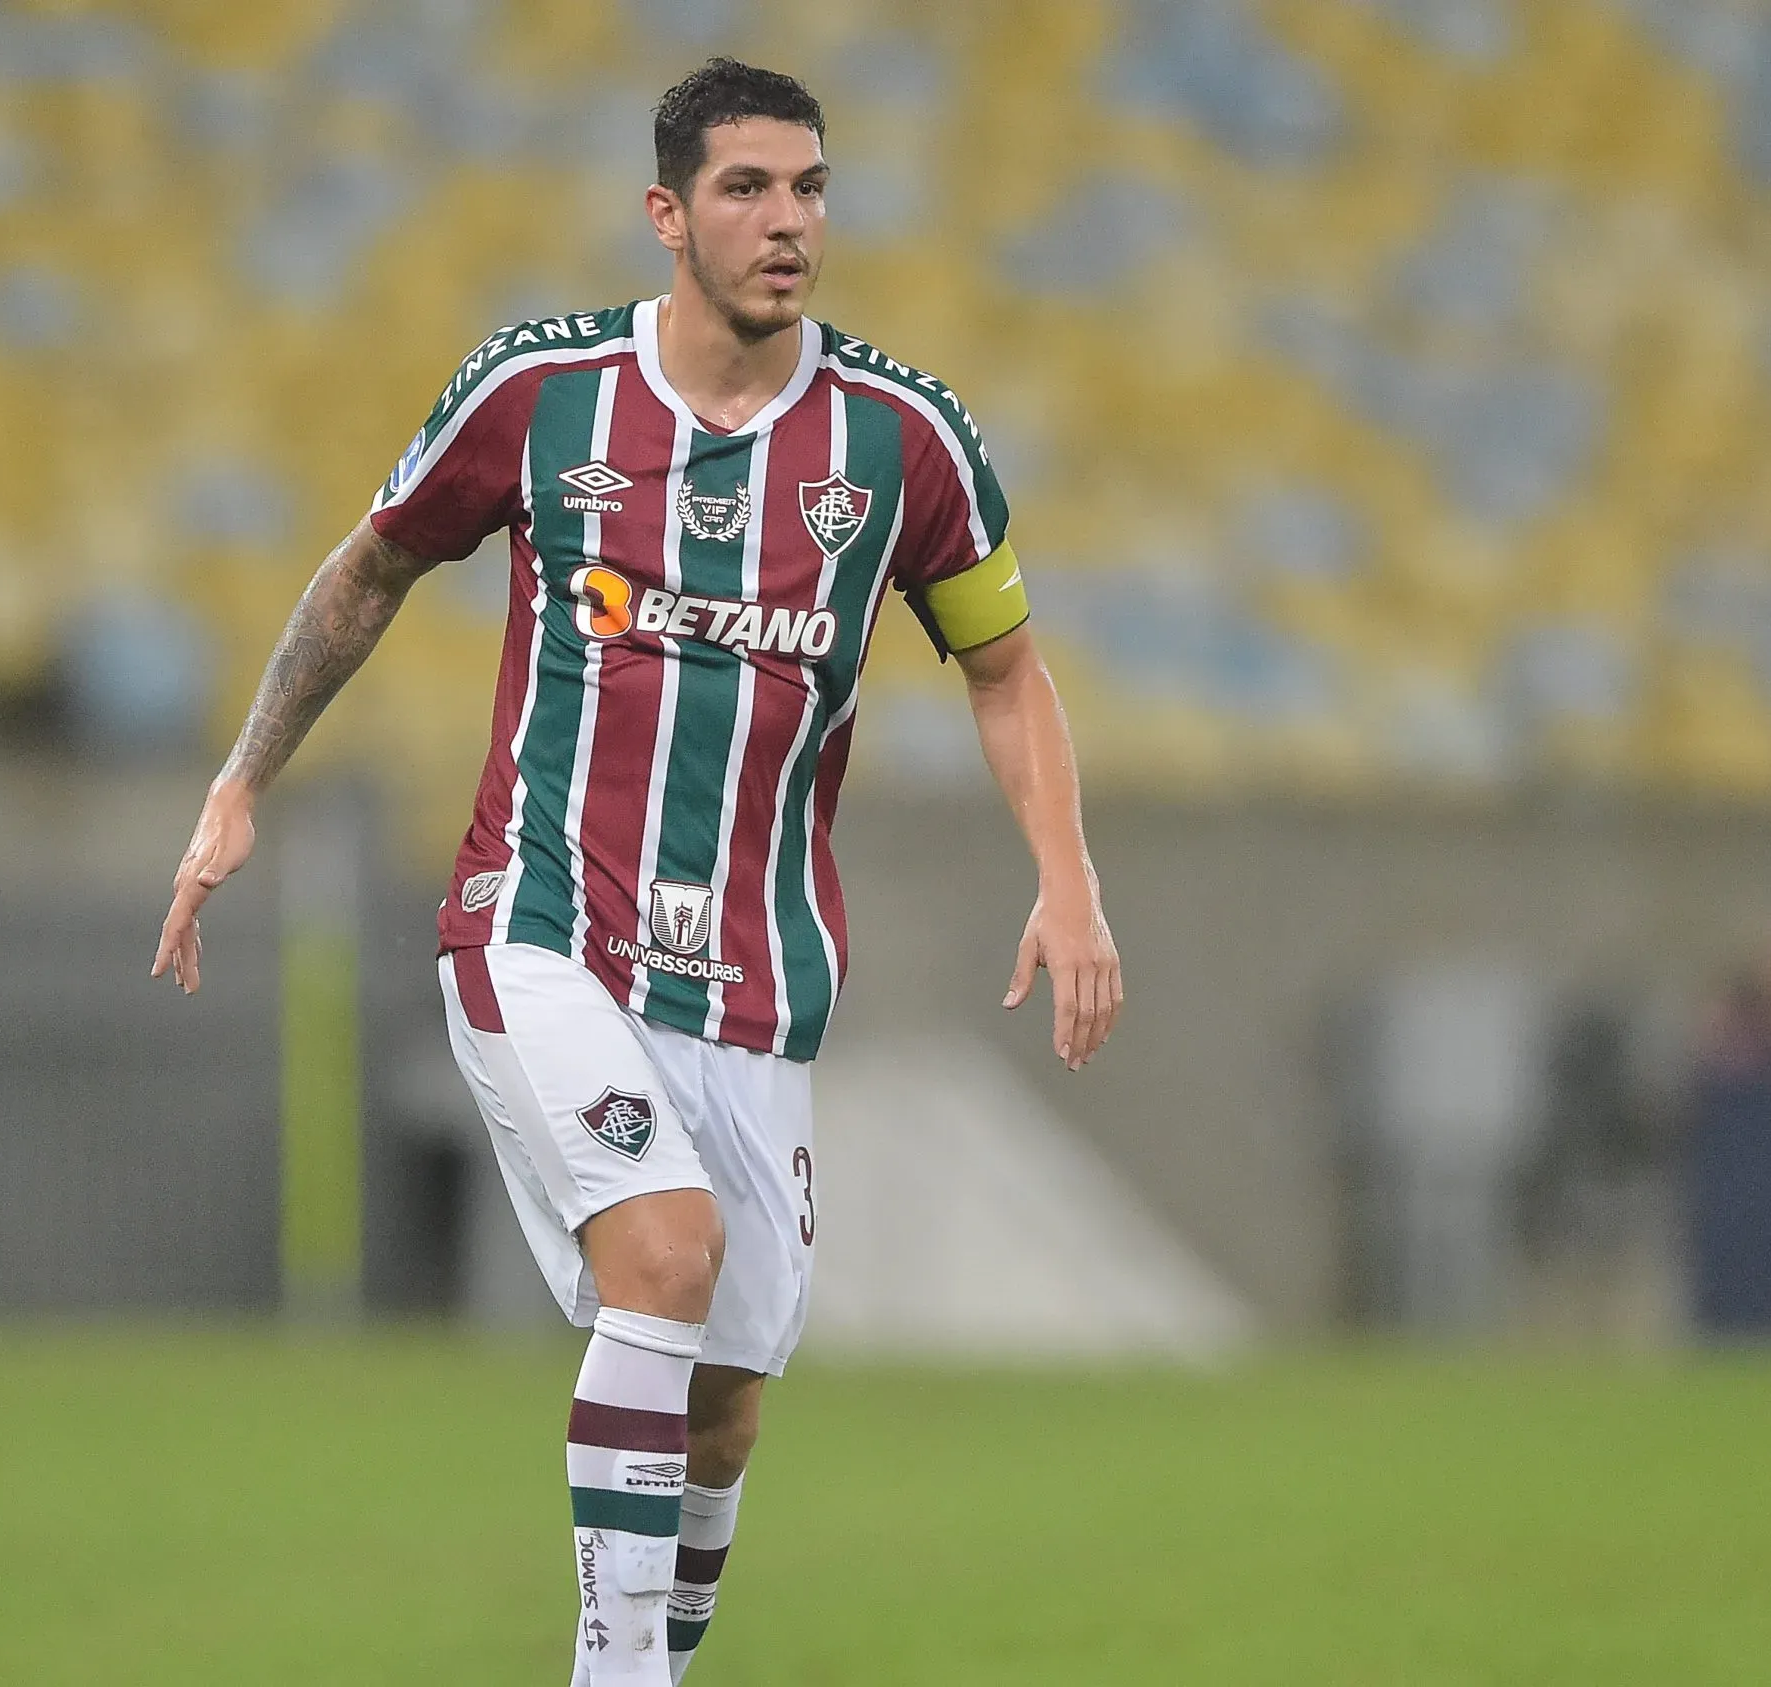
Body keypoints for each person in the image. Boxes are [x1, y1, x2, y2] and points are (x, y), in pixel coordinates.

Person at [151, 58, 1122, 1684]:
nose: (788, 221)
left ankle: (657, 1657)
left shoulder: (902, 440)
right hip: (542, 927)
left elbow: (1005, 668)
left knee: (727, 1396)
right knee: (665, 1253)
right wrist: (243, 778)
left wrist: (1069, 876)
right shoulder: (544, 396)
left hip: (755, 973)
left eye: (809, 187)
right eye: (748, 189)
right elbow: (370, 568)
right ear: (667, 214)